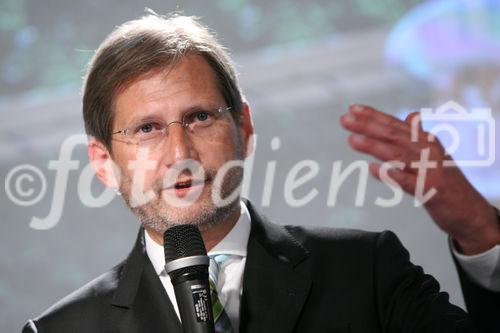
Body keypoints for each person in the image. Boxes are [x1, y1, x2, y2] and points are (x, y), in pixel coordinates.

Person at [22, 13, 500, 333]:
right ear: (104, 163)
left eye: (199, 117)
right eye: (147, 128)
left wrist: (479, 230)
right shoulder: (60, 330)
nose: (180, 151)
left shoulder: (367, 271)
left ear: (244, 127)